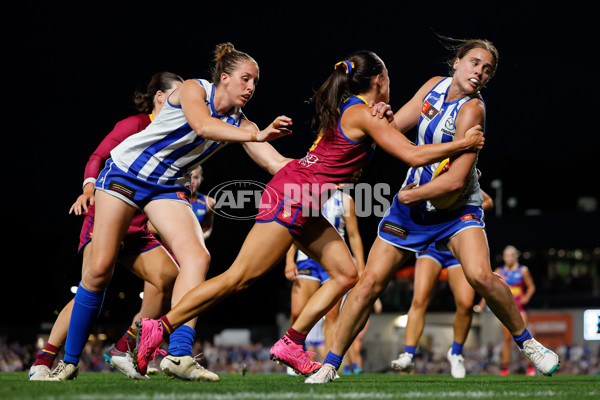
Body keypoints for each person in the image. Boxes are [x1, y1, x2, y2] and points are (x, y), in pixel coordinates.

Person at [133, 50, 486, 378]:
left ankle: (291, 342)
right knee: (238, 278)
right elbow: (412, 155)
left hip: (304, 195)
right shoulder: (361, 113)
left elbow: (377, 138)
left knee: (346, 274)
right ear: (378, 80)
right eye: (388, 78)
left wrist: (387, 118)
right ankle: (159, 327)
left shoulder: (355, 108)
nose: (391, 85)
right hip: (293, 195)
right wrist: (463, 144)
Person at [307, 37, 559, 384]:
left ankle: (528, 344)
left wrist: (413, 195)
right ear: (456, 62)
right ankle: (330, 364)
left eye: (487, 69)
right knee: (368, 284)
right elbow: (395, 130)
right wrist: (381, 117)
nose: (479, 72)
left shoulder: (473, 110)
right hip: (414, 203)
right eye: (474, 62)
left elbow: (455, 182)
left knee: (480, 276)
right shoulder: (432, 87)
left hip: (456, 209)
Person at [50, 42, 293, 382]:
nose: (251, 87)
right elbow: (203, 126)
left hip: (165, 186)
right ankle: (69, 361)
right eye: (245, 79)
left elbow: (276, 163)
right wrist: (255, 133)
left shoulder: (240, 122)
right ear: (224, 78)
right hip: (126, 174)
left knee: (197, 257)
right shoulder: (193, 89)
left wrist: (323, 167)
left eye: (255, 82)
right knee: (99, 271)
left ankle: (178, 353)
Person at [28, 72, 184, 381]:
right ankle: (44, 362)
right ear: (161, 97)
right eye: (179, 94)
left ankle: (124, 346)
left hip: (137, 227)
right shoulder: (134, 125)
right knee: (92, 286)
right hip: (106, 216)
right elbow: (98, 156)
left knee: (169, 277)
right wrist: (88, 189)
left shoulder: (175, 134)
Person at [391, 190, 493, 378]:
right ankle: (408, 354)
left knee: (465, 304)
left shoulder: (462, 177)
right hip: (431, 246)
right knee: (419, 299)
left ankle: (455, 354)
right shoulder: (428, 176)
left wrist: (462, 214)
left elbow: (488, 201)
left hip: (456, 246)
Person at [284, 190, 365, 373]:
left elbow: (353, 235)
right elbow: (292, 229)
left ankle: (329, 365)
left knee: (332, 315)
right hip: (306, 258)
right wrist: (289, 260)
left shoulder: (345, 200)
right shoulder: (306, 195)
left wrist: (361, 266)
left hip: (335, 260)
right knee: (297, 310)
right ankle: (293, 353)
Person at [478, 245, 536, 376]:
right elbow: (489, 289)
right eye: (506, 255)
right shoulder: (499, 271)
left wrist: (526, 297)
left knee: (523, 339)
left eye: (510, 255)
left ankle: (530, 366)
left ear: (515, 256)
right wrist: (481, 305)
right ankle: (505, 369)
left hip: (521, 309)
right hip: (505, 308)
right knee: (507, 339)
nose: (508, 258)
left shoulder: (523, 270)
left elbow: (531, 287)